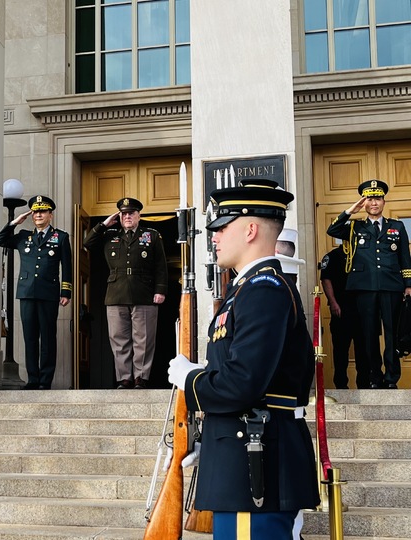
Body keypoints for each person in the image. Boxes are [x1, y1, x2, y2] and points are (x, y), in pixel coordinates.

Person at [167, 180, 319, 538]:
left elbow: (242, 384)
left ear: (251, 229)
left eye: (222, 227)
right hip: (242, 455)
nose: (214, 237)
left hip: (257, 461)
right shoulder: (246, 290)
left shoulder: (264, 290)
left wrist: (191, 379)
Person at [326, 179, 411, 389]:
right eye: (370, 199)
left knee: (391, 334)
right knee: (369, 335)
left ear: (383, 201)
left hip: (392, 286)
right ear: (365, 202)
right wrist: (350, 210)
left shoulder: (397, 226)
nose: (374, 203)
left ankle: (391, 378)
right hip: (364, 289)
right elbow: (332, 230)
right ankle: (375, 377)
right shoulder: (355, 226)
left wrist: (408, 284)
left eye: (378, 198)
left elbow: (405, 258)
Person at [83, 197, 168, 389]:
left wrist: (160, 290)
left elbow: (160, 266)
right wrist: (103, 224)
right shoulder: (110, 234)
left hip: (144, 292)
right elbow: (87, 243)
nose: (127, 216)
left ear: (139, 215)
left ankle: (141, 377)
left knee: (143, 339)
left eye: (131, 213)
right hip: (116, 293)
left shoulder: (151, 235)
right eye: (124, 214)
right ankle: (124, 378)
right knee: (119, 339)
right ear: (119, 216)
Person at [0, 195, 72, 390]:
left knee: (47, 337)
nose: (38, 215)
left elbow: (67, 266)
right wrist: (14, 222)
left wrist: (66, 291)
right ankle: (33, 379)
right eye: (35, 212)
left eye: (42, 211)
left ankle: (45, 381)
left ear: (50, 215)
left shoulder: (61, 237)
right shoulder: (23, 236)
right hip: (27, 293)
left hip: (49, 293)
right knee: (29, 338)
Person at [320, 244, 364, 389]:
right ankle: (341, 386)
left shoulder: (363, 253)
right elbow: (326, 279)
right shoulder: (332, 256)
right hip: (341, 310)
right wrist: (333, 303)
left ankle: (364, 385)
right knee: (340, 352)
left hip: (362, 311)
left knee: (363, 352)